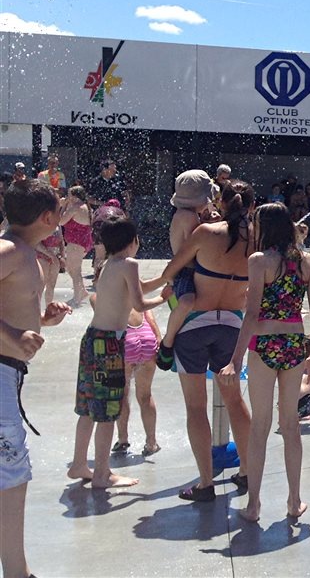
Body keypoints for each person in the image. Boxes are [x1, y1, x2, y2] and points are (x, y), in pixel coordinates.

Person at [151, 180, 256, 501]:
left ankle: (206, 484)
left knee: (196, 407)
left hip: (195, 323)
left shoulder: (205, 234)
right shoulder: (258, 239)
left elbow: (172, 271)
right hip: (232, 326)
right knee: (236, 401)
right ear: (251, 206)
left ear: (220, 203)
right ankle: (248, 472)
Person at [229, 202, 310, 522]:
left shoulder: (259, 261)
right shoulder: (307, 262)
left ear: (265, 227)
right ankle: (294, 501)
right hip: (295, 343)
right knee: (290, 426)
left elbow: (253, 313)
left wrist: (235, 359)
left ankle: (254, 505)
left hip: (265, 344)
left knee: (260, 426)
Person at [0, 178, 72, 578]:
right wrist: (12, 335)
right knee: (12, 473)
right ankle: (17, 572)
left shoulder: (26, 252)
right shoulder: (9, 250)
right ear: (49, 217)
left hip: (8, 373)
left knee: (11, 471)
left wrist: (41, 320)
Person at [68, 216, 165, 488]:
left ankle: (79, 464)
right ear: (133, 241)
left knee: (88, 407)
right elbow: (141, 301)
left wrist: (165, 278)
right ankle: (101, 474)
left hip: (92, 339)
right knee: (109, 411)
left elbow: (140, 287)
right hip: (110, 344)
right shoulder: (130, 263)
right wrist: (165, 297)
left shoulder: (109, 264)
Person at [162, 169, 217, 351]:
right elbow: (198, 245)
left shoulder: (184, 213)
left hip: (185, 268)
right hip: (185, 270)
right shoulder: (189, 217)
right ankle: (168, 340)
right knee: (187, 301)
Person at [115, 303, 161, 457]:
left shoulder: (108, 296)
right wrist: (159, 340)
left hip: (127, 342)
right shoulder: (139, 296)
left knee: (122, 394)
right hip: (147, 340)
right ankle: (151, 442)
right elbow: (151, 321)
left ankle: (123, 440)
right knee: (145, 395)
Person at [59, 186, 93, 306]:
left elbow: (60, 221)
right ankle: (81, 291)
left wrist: (63, 206)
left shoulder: (75, 207)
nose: (67, 197)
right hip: (83, 240)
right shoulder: (85, 206)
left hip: (76, 242)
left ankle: (77, 298)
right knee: (70, 266)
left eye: (69, 195)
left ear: (74, 196)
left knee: (75, 269)